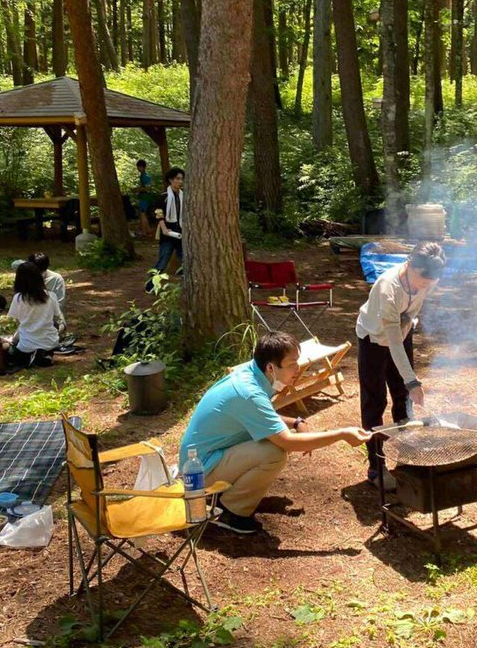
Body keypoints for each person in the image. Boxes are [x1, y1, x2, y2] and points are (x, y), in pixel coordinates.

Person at [178, 331, 372, 535]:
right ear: (271, 367)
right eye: (291, 364)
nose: (298, 369)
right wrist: (342, 434)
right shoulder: (249, 392)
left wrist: (296, 422)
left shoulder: (253, 373)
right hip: (198, 473)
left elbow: (261, 416)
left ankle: (227, 494)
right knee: (273, 452)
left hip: (204, 459)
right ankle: (230, 512)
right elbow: (288, 442)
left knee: (271, 447)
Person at [355, 242, 446, 491]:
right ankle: (376, 467)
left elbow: (406, 325)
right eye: (421, 280)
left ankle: (406, 456)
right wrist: (413, 380)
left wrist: (408, 384)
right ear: (410, 265)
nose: (424, 286)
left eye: (429, 282)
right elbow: (392, 342)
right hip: (374, 339)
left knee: (403, 399)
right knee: (375, 402)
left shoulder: (426, 278)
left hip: (401, 332)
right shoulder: (388, 288)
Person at [7, 261, 65, 368]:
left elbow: (17, 321)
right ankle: (44, 353)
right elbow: (57, 316)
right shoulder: (51, 296)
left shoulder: (18, 298)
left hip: (26, 344)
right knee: (56, 325)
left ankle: (35, 355)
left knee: (12, 348)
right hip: (50, 340)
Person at [146, 167, 185, 292]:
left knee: (186, 260)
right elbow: (158, 213)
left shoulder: (183, 196)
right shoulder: (164, 197)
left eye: (181, 179)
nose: (180, 181)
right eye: (177, 179)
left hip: (181, 233)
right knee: (163, 261)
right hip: (168, 234)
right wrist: (164, 229)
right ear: (170, 180)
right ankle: (150, 285)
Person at [135, 159, 156, 237]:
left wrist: (138, 189)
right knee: (142, 214)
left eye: (138, 167)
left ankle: (144, 232)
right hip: (143, 197)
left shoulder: (145, 176)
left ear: (142, 167)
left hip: (145, 198)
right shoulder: (143, 175)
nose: (137, 169)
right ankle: (148, 230)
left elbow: (148, 188)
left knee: (143, 214)